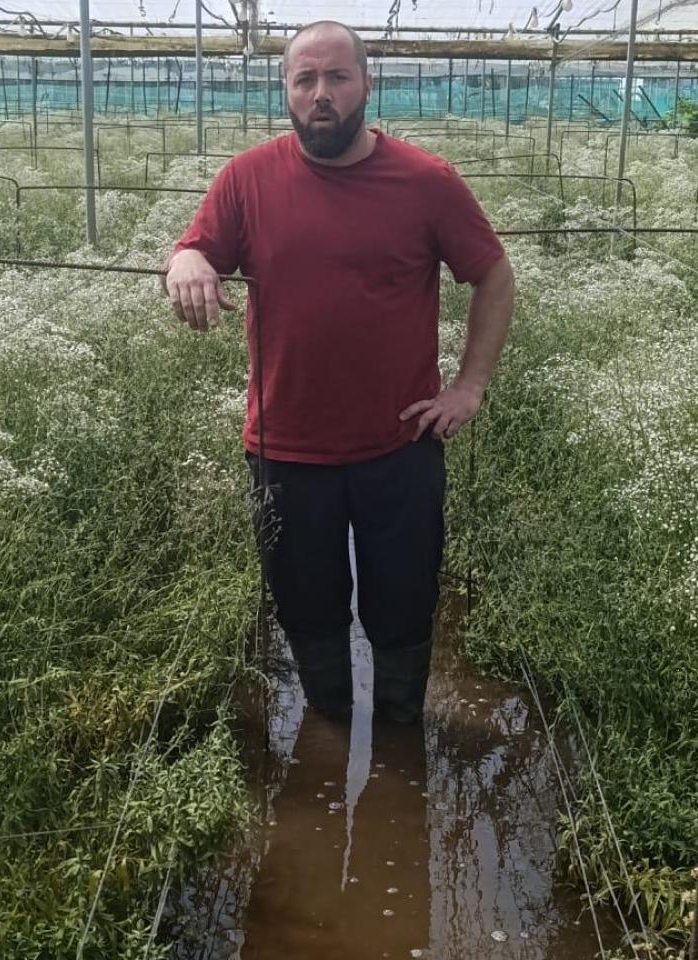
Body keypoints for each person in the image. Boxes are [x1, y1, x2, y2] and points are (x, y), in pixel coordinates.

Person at [164, 20, 515, 725]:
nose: (320, 94)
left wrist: (469, 385)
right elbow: (194, 248)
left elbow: (493, 275)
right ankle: (329, 735)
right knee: (307, 608)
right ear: (286, 90)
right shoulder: (247, 178)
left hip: (401, 447)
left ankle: (396, 739)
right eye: (305, 79)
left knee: (404, 606)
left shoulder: (426, 181)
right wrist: (187, 260)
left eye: (337, 77)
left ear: (366, 84)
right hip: (285, 450)